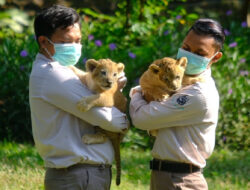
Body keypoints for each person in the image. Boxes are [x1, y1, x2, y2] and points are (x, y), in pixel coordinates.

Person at [29, 5, 128, 190]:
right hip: (78, 175)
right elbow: (111, 121)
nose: (75, 47)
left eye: (79, 40)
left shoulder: (63, 70)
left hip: (83, 173)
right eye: (67, 41)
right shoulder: (52, 74)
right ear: (43, 41)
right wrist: (121, 112)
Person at [129, 18, 225, 190]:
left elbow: (141, 118)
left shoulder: (198, 94)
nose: (189, 56)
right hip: (165, 176)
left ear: (215, 57)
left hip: (181, 180)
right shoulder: (182, 82)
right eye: (186, 49)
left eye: (200, 53)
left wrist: (136, 93)